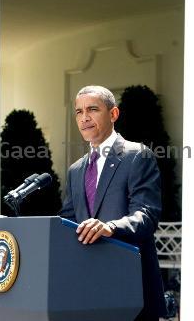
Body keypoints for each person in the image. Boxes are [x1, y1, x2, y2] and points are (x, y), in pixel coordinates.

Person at [59, 85, 167, 320]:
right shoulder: (75, 170)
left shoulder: (137, 156)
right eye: (78, 111)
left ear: (113, 114)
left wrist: (110, 228)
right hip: (87, 292)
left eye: (92, 109)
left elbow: (146, 215)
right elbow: (66, 223)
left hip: (131, 290)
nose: (84, 117)